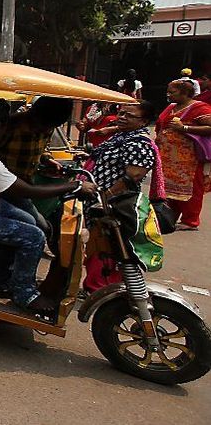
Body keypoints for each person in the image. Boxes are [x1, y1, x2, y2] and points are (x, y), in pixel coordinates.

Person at [0, 99, 97, 312]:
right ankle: (25, 294)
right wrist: (73, 185)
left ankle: (0, 276)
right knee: (35, 236)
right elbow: (28, 191)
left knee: (30, 220)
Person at [82, 101, 160, 291]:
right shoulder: (122, 136)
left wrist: (106, 197)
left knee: (108, 245)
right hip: (99, 199)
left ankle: (102, 287)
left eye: (129, 116)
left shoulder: (138, 143)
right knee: (97, 242)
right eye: (121, 113)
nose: (122, 118)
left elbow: (133, 175)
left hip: (114, 204)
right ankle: (95, 285)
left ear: (144, 121)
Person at [0, 97, 74, 236]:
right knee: (40, 226)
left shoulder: (49, 125)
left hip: (24, 186)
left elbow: (41, 149)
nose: (46, 130)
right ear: (35, 114)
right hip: (4, 189)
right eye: (44, 125)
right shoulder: (11, 127)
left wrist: (46, 159)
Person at [155, 79, 211, 230]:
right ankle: (170, 217)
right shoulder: (172, 107)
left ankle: (190, 221)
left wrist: (184, 128)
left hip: (189, 159)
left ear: (185, 93)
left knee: (192, 189)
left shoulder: (199, 108)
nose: (168, 95)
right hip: (168, 158)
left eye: (172, 92)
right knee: (170, 189)